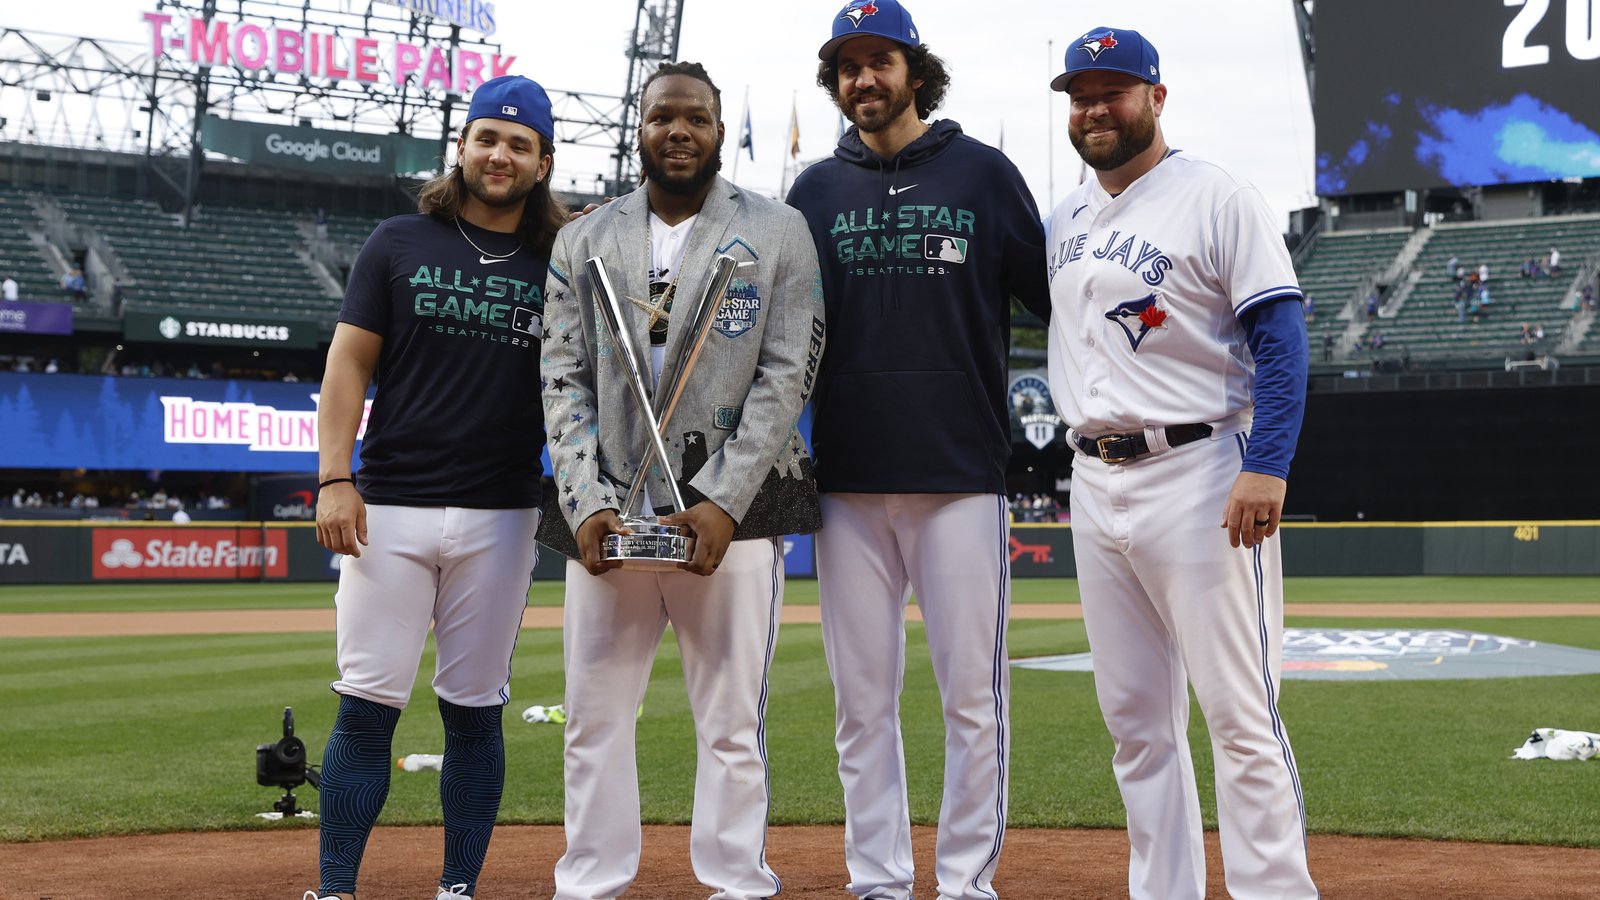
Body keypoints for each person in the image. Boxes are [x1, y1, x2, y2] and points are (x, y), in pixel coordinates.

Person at [539, 60, 825, 900]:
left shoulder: (778, 230)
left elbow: (786, 376)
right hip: (611, 512)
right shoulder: (582, 238)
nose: (679, 130)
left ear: (717, 125)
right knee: (593, 720)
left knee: (732, 722)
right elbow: (562, 377)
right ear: (640, 125)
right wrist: (586, 500)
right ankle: (590, 880)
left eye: (696, 117)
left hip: (728, 514)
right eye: (663, 115)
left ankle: (737, 881)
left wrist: (724, 500)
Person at [1044, 26, 1318, 899]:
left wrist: (1266, 465)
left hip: (1202, 471)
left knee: (1239, 713)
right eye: (1081, 95)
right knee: (1134, 723)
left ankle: (1275, 890)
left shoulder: (1217, 197)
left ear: (1155, 99)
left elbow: (1282, 342)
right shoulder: (1063, 220)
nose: (1094, 108)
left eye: (1112, 91)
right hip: (1093, 479)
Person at [785, 2, 1051, 896]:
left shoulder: (984, 175)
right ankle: (878, 881)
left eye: (880, 60)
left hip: (959, 479)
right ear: (836, 81)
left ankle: (967, 881)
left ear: (914, 69)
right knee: (861, 707)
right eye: (848, 65)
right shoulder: (813, 191)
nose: (864, 78)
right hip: (846, 484)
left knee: (972, 703)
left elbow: (1059, 305)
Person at [305, 74, 567, 900]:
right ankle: (338, 889)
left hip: (502, 515)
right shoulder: (397, 240)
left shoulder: (562, 260)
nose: (500, 154)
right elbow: (348, 361)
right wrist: (334, 478)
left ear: (543, 161)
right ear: (462, 146)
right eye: (488, 137)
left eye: (519, 144)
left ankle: (457, 889)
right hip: (388, 508)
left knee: (475, 711)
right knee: (365, 706)